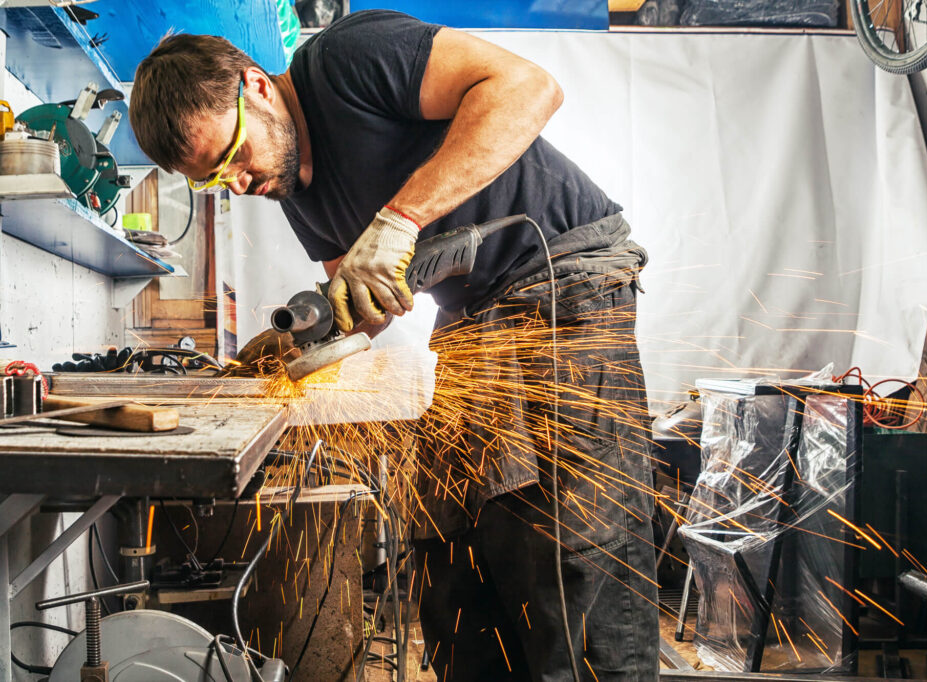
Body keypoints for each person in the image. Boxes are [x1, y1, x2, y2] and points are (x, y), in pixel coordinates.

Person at [129, 10, 658, 680]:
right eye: (214, 179)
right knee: (453, 553)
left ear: (256, 86)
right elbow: (364, 303)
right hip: (473, 316)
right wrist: (288, 353)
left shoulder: (347, 59)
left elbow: (529, 87)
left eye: (234, 156)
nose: (239, 182)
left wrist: (400, 217)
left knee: (570, 550)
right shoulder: (294, 188)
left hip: (565, 284)